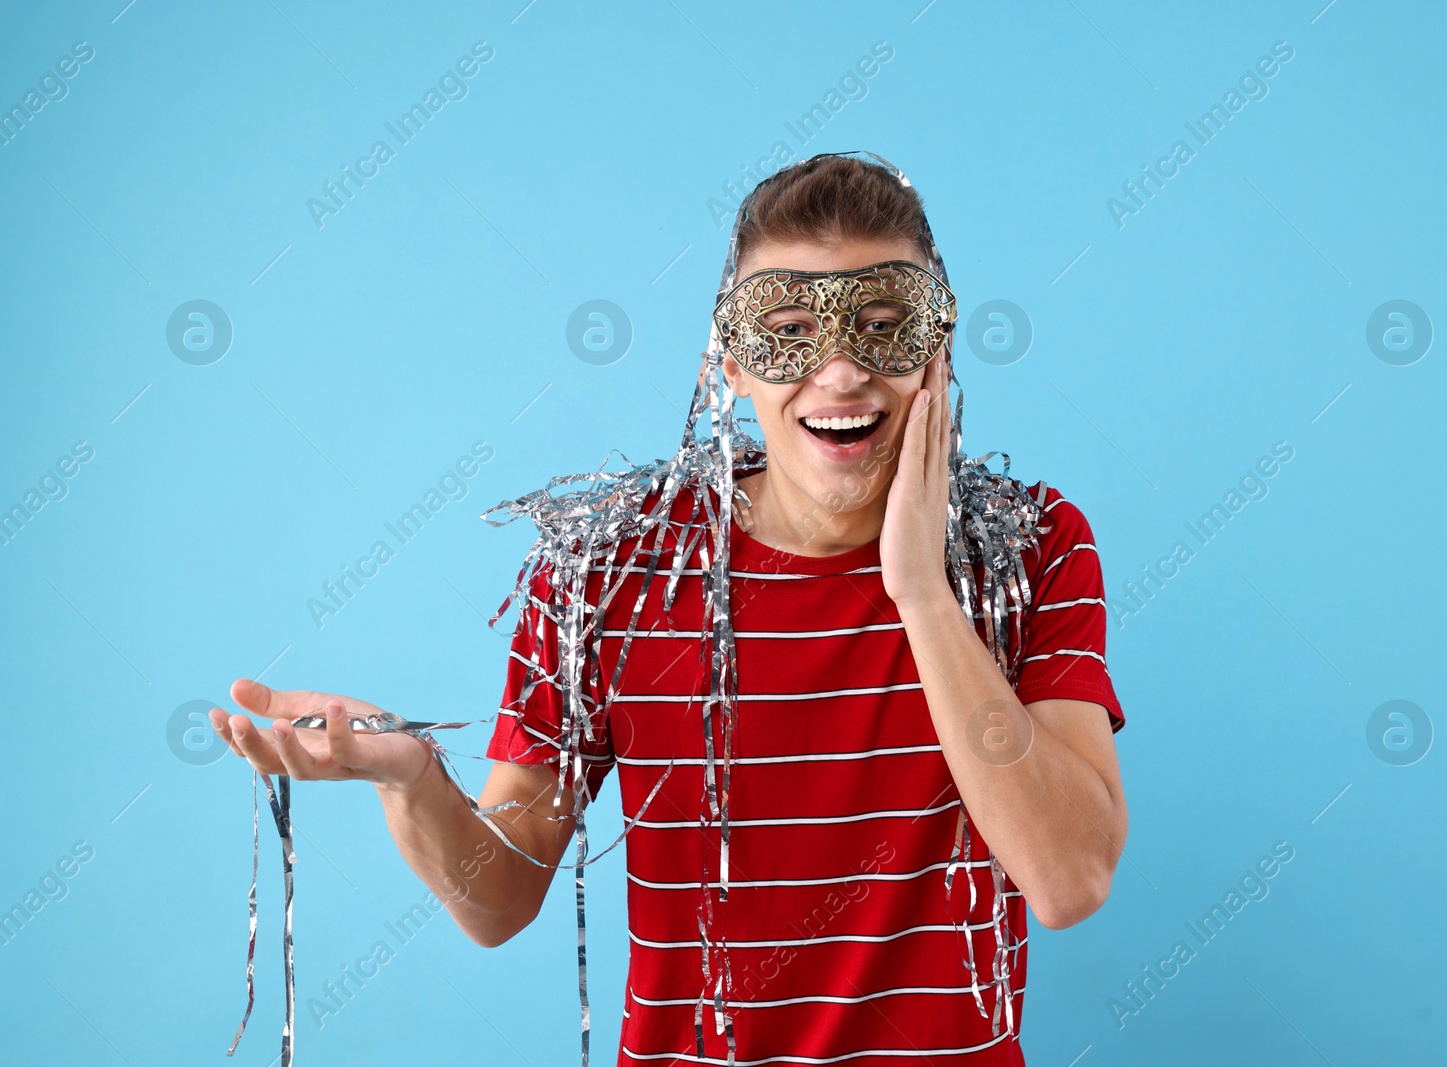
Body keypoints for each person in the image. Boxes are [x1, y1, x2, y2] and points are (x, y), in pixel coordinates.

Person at [209, 152, 1128, 1065]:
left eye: (885, 326)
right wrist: (412, 781)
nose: (841, 371)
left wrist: (923, 592)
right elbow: (499, 901)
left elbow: (1069, 880)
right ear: (731, 360)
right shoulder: (607, 569)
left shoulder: (1029, 547)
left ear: (938, 348)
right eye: (791, 331)